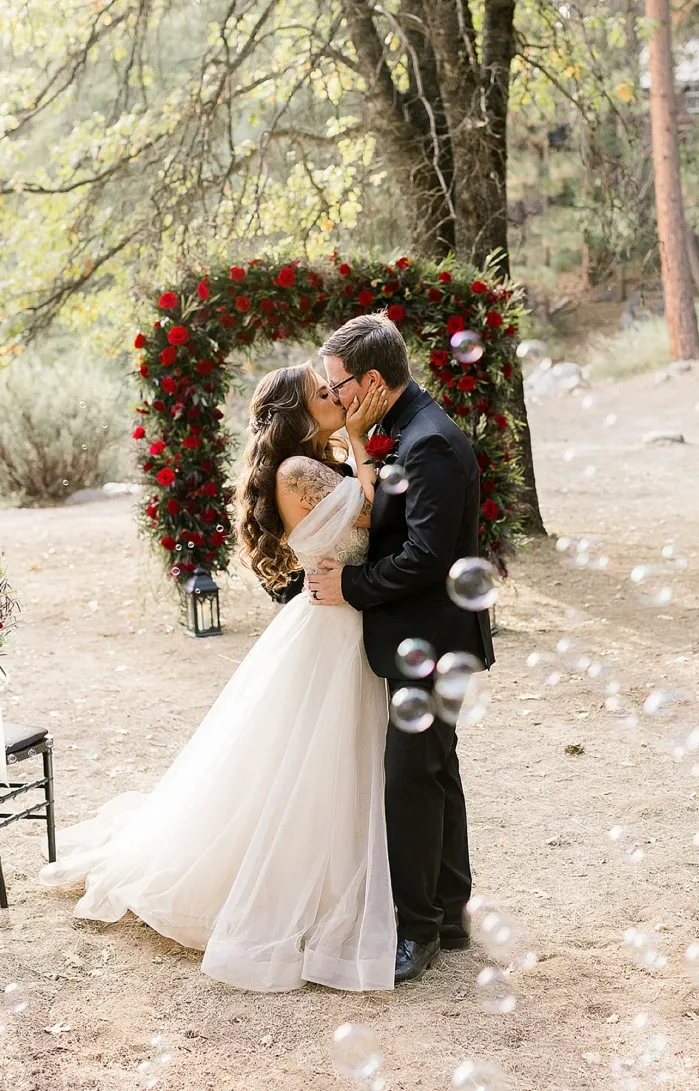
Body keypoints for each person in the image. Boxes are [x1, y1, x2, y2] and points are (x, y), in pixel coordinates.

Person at [39, 363, 398, 993]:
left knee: (327, 765)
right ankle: (295, 894)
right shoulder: (297, 472)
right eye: (323, 393)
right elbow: (373, 517)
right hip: (330, 633)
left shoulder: (323, 461)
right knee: (309, 767)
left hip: (342, 621)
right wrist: (367, 435)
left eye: (334, 388)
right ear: (296, 412)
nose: (337, 397)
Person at [308, 313, 495, 984]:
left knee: (412, 779)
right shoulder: (400, 432)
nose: (333, 395)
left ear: (374, 379)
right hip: (423, 636)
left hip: (436, 637)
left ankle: (418, 929)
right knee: (433, 769)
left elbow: (425, 555)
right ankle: (448, 913)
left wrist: (350, 584)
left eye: (338, 384)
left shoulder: (430, 444)